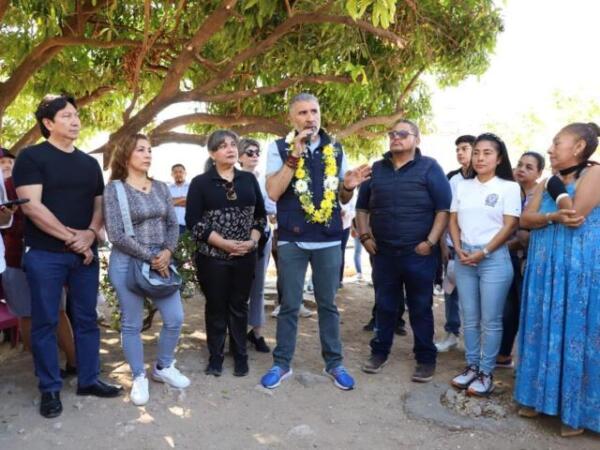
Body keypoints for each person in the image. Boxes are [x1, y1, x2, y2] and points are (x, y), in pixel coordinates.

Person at [13, 94, 122, 419]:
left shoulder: (89, 163)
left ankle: (88, 379)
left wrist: (89, 234)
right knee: (45, 321)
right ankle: (49, 388)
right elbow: (31, 206)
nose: (75, 121)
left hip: (85, 254)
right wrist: (73, 238)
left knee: (87, 319)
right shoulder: (31, 158)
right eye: (66, 116)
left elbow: (99, 204)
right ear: (48, 123)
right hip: (45, 254)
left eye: (76, 115)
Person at [260, 93, 370, 391]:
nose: (310, 118)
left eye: (314, 111)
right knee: (289, 305)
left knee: (328, 305)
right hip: (292, 240)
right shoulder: (278, 148)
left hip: (329, 239)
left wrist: (348, 186)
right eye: (302, 113)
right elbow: (273, 191)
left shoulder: (335, 147)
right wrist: (294, 155)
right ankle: (282, 363)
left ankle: (334, 363)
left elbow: (343, 196)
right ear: (291, 119)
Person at [516, 122, 600, 436]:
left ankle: (575, 413)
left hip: (578, 271)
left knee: (575, 332)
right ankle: (537, 398)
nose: (550, 149)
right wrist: (551, 215)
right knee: (542, 327)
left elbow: (576, 216)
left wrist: (557, 204)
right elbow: (526, 219)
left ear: (578, 146)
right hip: (543, 270)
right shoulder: (547, 181)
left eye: (557, 143)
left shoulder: (595, 174)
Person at [357, 119, 451, 382]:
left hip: (419, 254)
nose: (396, 137)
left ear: (417, 140)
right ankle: (379, 352)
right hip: (384, 253)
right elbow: (362, 208)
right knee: (385, 305)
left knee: (420, 306)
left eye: (403, 134)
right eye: (392, 134)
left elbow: (443, 209)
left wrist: (430, 242)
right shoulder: (376, 169)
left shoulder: (430, 168)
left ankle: (425, 358)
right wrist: (365, 237)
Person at [104, 134, 190, 406]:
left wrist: (166, 252)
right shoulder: (114, 189)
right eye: (140, 149)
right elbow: (116, 234)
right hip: (127, 261)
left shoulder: (162, 187)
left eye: (150, 150)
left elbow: (172, 225)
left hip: (161, 262)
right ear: (126, 155)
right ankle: (139, 376)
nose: (147, 154)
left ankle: (163, 367)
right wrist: (151, 256)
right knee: (131, 323)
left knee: (175, 318)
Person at [186, 130, 266, 377]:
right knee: (216, 306)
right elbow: (194, 221)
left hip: (246, 255)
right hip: (212, 257)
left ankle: (240, 355)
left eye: (233, 144)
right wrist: (223, 244)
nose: (230, 149)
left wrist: (252, 242)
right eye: (222, 146)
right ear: (212, 153)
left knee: (240, 305)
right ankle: (216, 357)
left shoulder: (248, 180)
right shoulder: (200, 183)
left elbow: (260, 217)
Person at [448, 133, 521, 397]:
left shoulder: (508, 187)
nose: (480, 157)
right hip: (464, 256)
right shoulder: (461, 186)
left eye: (487, 153)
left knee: (491, 320)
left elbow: (511, 224)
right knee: (469, 317)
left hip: (494, 260)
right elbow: (452, 219)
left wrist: (485, 251)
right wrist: (457, 247)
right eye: (477, 152)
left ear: (499, 158)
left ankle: (486, 372)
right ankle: (472, 366)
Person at [2, 163, 77, 376]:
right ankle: (44, 369)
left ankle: (73, 363)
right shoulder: (5, 186)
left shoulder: (49, 183)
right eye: (2, 163)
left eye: (10, 161)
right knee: (27, 315)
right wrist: (9, 217)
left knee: (58, 312)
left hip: (49, 255)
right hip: (15, 259)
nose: (6, 166)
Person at [496, 151, 544, 369]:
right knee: (509, 311)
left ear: (539, 173)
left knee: (529, 311)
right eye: (520, 164)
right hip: (509, 260)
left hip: (530, 263)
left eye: (529, 167)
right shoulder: (512, 192)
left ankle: (527, 364)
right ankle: (504, 355)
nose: (521, 169)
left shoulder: (542, 197)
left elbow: (532, 232)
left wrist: (517, 241)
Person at [435, 135, 475, 352]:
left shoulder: (488, 179)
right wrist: (443, 244)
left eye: (465, 148)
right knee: (451, 292)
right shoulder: (451, 178)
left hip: (476, 248)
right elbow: (444, 213)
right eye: (457, 149)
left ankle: (473, 341)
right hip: (452, 246)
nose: (460, 153)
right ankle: (451, 334)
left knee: (474, 297)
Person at [238, 138, 274, 353]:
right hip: (238, 241)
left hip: (263, 239)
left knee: (259, 288)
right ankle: (237, 332)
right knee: (238, 290)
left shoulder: (265, 179)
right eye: (249, 152)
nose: (254, 155)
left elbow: (272, 206)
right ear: (241, 157)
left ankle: (257, 332)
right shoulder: (234, 179)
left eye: (256, 152)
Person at [169, 163, 189, 236]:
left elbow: (192, 203)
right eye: (175, 172)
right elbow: (166, 204)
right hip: (172, 226)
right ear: (172, 174)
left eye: (180, 172)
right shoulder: (168, 188)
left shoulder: (192, 187)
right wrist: (184, 199)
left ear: (185, 173)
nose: (178, 174)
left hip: (188, 226)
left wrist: (173, 201)